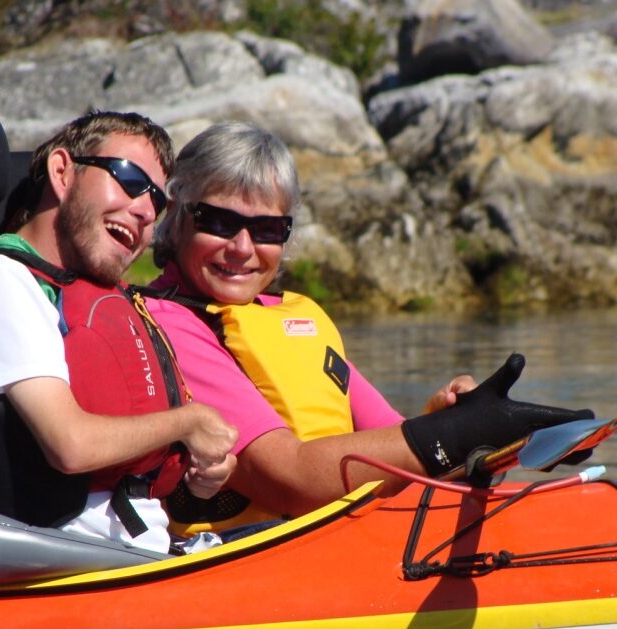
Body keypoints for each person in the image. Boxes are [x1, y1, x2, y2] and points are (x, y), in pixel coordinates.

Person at [146, 121, 592, 537]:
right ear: (176, 213)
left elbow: (403, 453)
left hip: (331, 542)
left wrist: (464, 424)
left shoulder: (291, 319)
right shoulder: (167, 325)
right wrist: (462, 432)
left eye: (267, 229)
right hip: (247, 562)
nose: (242, 248)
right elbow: (294, 479)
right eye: (219, 222)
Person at [0, 111, 238, 554]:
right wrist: (188, 422)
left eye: (157, 201)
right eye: (128, 180)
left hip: (135, 554)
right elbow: (70, 445)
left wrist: (199, 475)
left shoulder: (84, 298)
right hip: (58, 564)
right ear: (62, 171)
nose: (146, 210)